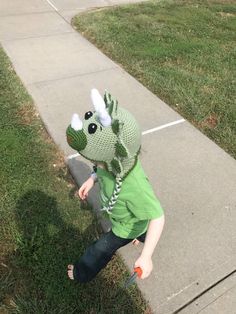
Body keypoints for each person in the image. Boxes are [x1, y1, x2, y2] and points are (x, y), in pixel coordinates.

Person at [66, 89, 165, 283]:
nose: (98, 164)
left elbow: (158, 217)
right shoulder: (110, 162)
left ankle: (81, 272)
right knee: (141, 222)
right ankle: (142, 234)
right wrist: (92, 178)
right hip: (126, 216)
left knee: (100, 248)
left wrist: (146, 257)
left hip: (125, 227)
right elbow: (99, 168)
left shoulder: (134, 185)